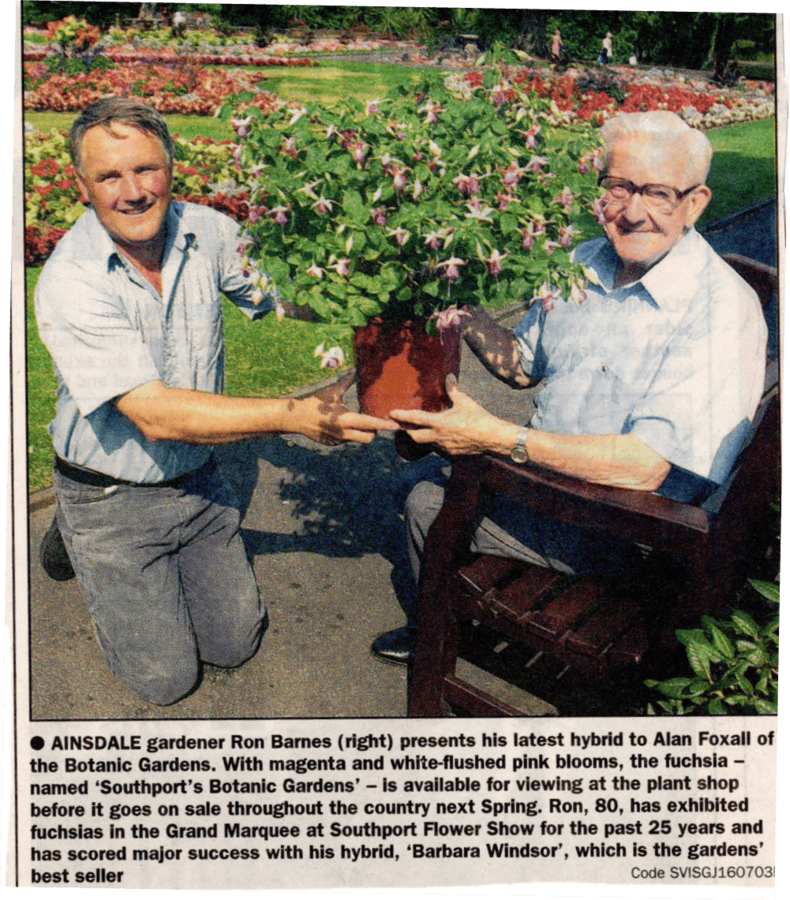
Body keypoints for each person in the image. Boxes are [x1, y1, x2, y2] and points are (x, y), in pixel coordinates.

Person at [370, 110, 768, 664]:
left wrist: (492, 438)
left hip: (625, 530)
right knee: (422, 466)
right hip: (546, 482)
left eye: (657, 193)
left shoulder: (722, 310)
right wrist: (459, 304)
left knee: (424, 498)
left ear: (695, 203)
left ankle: (436, 636)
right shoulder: (583, 261)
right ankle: (449, 621)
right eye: (618, 187)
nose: (632, 212)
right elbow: (524, 364)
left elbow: (646, 467)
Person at [34, 98, 394, 704]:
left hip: (199, 481)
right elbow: (153, 413)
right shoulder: (71, 278)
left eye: (146, 168)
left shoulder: (209, 231)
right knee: (167, 681)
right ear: (82, 184)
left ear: (172, 164)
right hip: (110, 494)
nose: (133, 191)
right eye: (109, 176)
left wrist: (373, 288)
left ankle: (132, 555)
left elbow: (284, 298)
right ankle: (74, 531)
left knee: (235, 643)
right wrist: (293, 417)